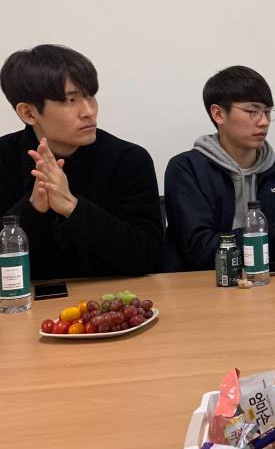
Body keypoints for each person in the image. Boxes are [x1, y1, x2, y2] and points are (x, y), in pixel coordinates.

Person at [0, 44, 163, 279]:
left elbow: (149, 256)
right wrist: (33, 207)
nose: (89, 111)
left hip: (115, 297)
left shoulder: (128, 160)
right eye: (70, 100)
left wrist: (71, 206)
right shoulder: (4, 159)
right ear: (29, 113)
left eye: (90, 96)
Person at [163, 66, 275, 270]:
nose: (264, 122)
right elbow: (199, 251)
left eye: (267, 112)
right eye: (252, 112)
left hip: (270, 283)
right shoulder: (186, 169)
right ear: (219, 114)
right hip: (203, 283)